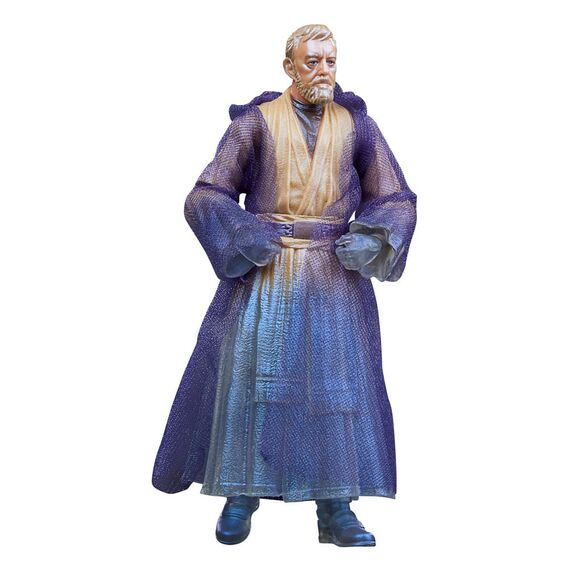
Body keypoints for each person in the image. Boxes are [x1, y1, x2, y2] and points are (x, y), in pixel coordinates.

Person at [152, 24, 417, 547]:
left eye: (331, 61)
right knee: (253, 378)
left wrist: (373, 236)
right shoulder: (255, 124)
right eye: (312, 61)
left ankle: (336, 507)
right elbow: (207, 194)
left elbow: (395, 196)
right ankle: (240, 493)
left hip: (334, 277)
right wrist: (245, 234)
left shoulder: (358, 126)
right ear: (289, 66)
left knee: (336, 387)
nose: (323, 71)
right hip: (267, 273)